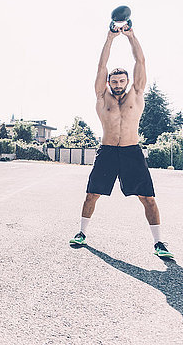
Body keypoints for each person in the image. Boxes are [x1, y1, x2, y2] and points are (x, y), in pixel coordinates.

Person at [69, 22, 173, 259]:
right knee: (91, 195)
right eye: (114, 81)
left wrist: (130, 36)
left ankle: (159, 243)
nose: (117, 84)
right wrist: (109, 38)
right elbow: (101, 65)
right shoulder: (101, 95)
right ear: (109, 82)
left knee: (147, 198)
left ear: (127, 82)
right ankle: (82, 233)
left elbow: (141, 62)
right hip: (106, 152)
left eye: (121, 81)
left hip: (131, 152)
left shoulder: (136, 95)